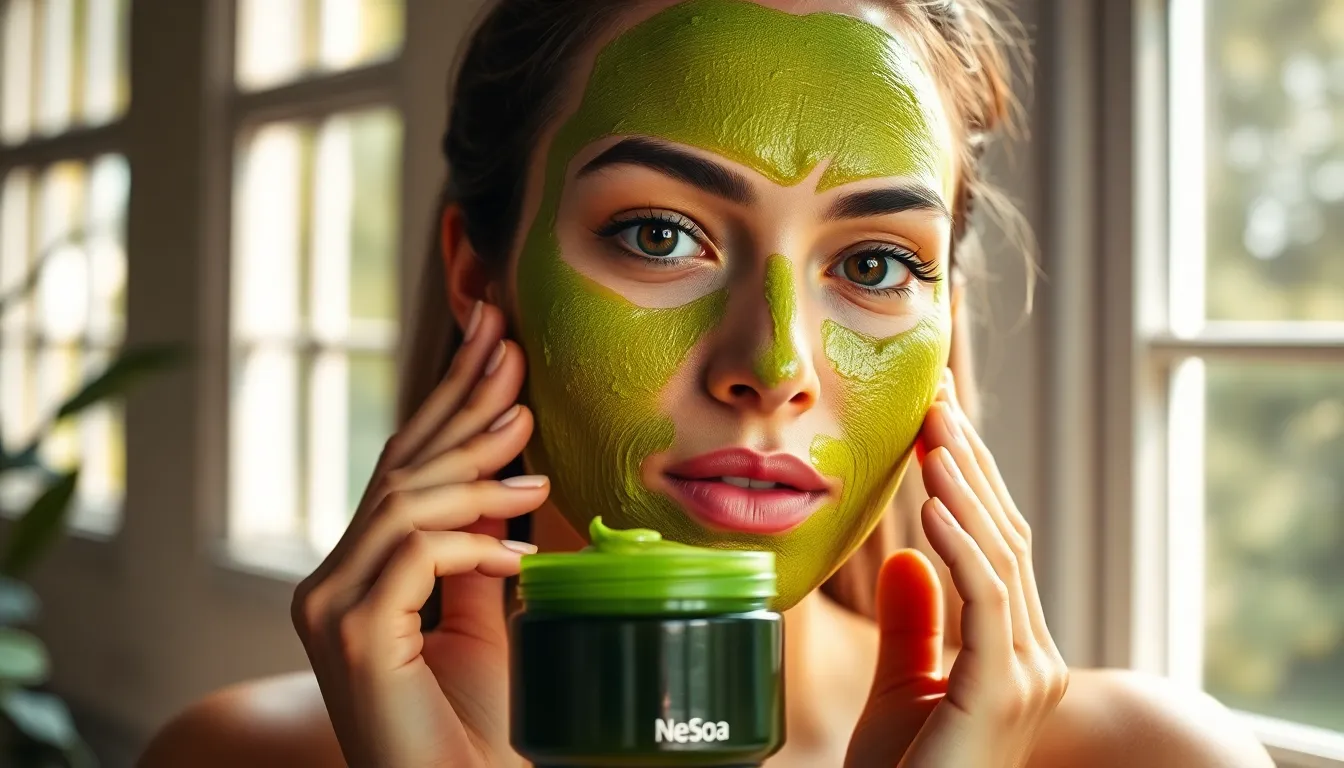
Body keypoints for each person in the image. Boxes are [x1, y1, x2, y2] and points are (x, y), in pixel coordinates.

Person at [139, 1, 1276, 766]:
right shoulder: (233, 758)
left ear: (946, 324)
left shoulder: (1154, 757)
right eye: (658, 234)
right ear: (479, 277)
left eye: (875, 264)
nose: (774, 368)